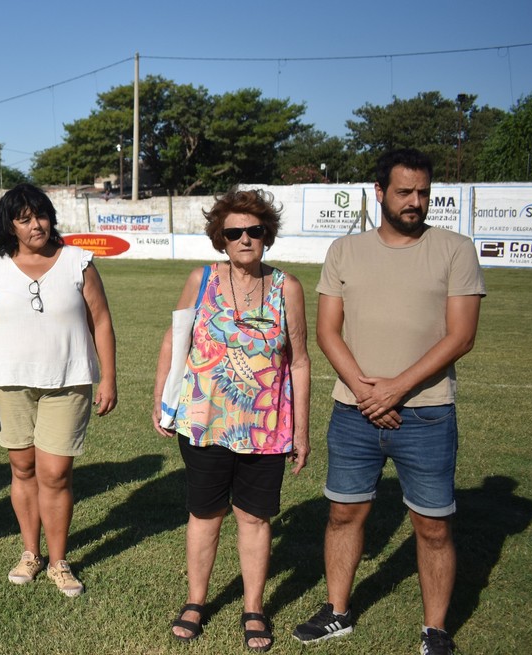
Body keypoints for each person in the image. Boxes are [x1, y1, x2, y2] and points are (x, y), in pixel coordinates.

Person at [292, 148, 484, 655]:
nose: (415, 201)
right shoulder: (345, 250)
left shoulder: (456, 249)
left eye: (423, 193)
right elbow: (327, 331)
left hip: (427, 413)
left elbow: (461, 336)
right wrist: (365, 392)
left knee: (433, 526)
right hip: (353, 413)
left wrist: (396, 388)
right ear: (379, 192)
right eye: (404, 192)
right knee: (343, 515)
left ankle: (435, 630)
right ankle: (337, 613)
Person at [151, 188, 310, 651]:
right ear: (220, 238)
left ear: (267, 235)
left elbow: (300, 360)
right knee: (205, 515)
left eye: (254, 231)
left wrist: (301, 431)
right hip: (204, 421)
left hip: (266, 427)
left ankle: (254, 608)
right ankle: (195, 602)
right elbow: (174, 339)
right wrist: (162, 399)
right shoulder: (201, 279)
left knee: (254, 518)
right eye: (234, 232)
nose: (244, 239)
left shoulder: (287, 287)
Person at [0, 183, 118, 598]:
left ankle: (58, 561)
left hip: (68, 383)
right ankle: (30, 553)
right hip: (9, 384)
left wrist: (108, 377)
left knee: (55, 473)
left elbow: (101, 321)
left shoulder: (77, 262)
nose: (36, 225)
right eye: (25, 219)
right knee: (22, 469)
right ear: (9, 226)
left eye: (41, 215)